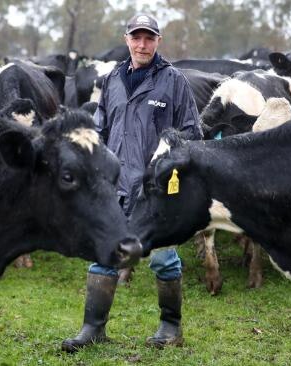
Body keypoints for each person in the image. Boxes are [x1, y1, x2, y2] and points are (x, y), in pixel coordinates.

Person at [61, 13, 202, 352]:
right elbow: (101, 129)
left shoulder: (174, 81)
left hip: (157, 189)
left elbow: (193, 133)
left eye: (149, 38)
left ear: (158, 41)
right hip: (116, 187)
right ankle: (92, 328)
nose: (142, 44)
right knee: (104, 253)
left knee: (163, 258)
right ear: (126, 39)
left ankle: (171, 327)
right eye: (136, 37)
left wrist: (168, 167)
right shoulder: (112, 80)